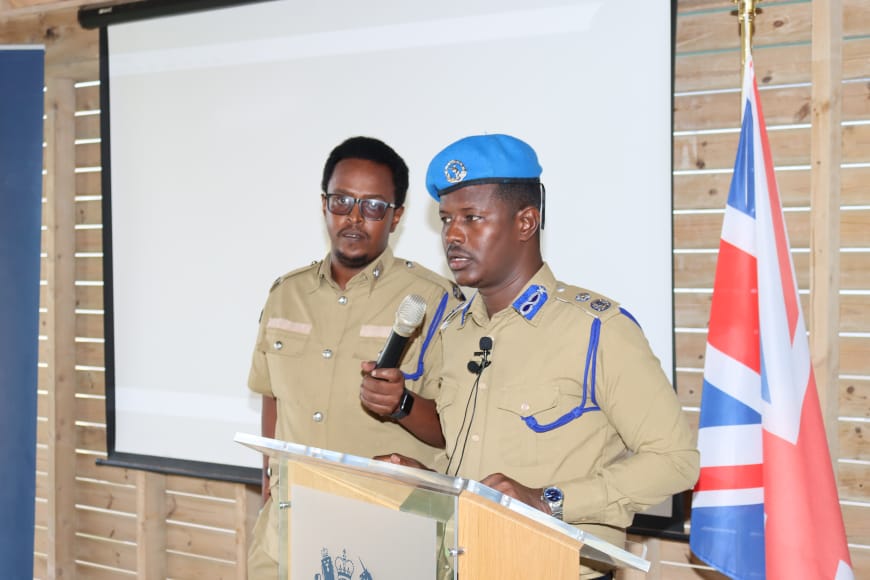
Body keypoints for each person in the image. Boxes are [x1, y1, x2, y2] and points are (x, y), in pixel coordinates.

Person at [359, 133, 700, 579]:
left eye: (472, 218)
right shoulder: (456, 331)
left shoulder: (596, 330)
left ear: (525, 222)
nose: (453, 235)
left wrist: (549, 501)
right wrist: (424, 478)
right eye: (445, 220)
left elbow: (676, 461)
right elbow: (468, 458)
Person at [247, 136, 462, 578]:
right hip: (288, 525)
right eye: (342, 200)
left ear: (397, 216)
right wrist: (269, 480)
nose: (354, 217)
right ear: (324, 204)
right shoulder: (286, 294)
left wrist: (402, 405)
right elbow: (272, 395)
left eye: (373, 206)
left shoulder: (435, 301)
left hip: (384, 534)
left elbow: (456, 432)